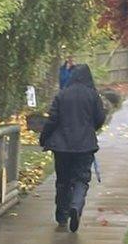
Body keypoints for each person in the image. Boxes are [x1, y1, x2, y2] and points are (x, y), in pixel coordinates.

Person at [40, 63, 107, 232]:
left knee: (63, 181)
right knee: (81, 179)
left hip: (62, 147)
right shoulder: (93, 96)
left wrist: (44, 138)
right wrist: (89, 129)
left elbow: (52, 120)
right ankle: (76, 206)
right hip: (85, 146)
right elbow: (100, 118)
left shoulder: (62, 95)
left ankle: (62, 215)